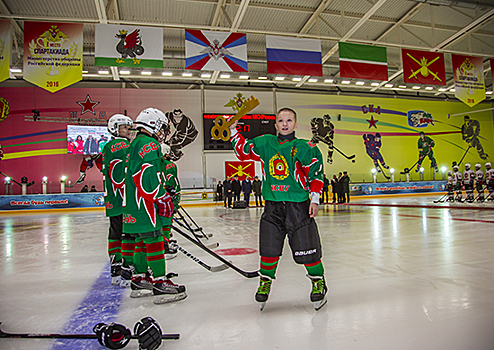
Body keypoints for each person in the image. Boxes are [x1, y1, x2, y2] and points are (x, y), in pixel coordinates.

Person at [229, 107, 327, 311]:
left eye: (289, 120)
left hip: (298, 207)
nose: (285, 124)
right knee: (269, 249)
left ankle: (318, 281)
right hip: (272, 207)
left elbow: (316, 173)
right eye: (281, 120)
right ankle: (265, 281)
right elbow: (243, 151)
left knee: (307, 250)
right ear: (275, 125)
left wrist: (315, 199)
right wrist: (232, 130)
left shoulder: (305, 147)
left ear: (295, 124)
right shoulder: (266, 142)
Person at [122, 107, 186, 305]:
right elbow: (147, 175)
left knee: (142, 241)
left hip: (133, 203)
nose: (162, 132)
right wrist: (161, 197)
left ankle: (140, 278)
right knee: (155, 239)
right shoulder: (149, 144)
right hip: (145, 203)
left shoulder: (135, 143)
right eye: (160, 127)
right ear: (152, 125)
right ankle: (159, 281)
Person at [102, 114, 134, 286]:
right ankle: (128, 269)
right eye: (124, 127)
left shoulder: (107, 147)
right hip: (125, 198)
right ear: (115, 128)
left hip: (112, 198)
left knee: (115, 232)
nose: (128, 130)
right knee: (129, 234)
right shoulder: (125, 146)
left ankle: (115, 268)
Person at [160, 143, 181, 260]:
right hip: (171, 194)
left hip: (163, 194)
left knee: (164, 220)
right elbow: (172, 181)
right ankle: (164, 242)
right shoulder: (171, 165)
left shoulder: (158, 164)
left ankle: (164, 240)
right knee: (167, 220)